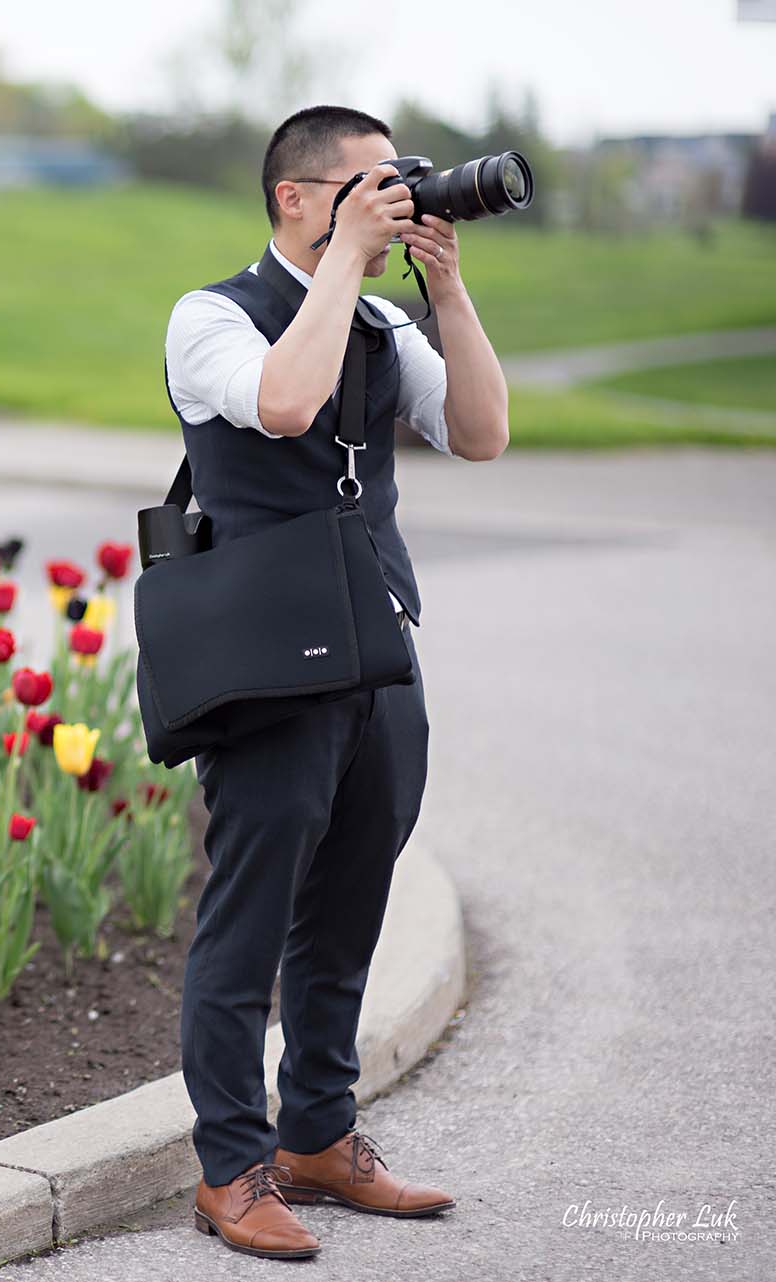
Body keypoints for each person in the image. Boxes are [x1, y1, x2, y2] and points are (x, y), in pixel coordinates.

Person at [162, 104, 509, 1261]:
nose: (391, 198)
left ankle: (319, 1136)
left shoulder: (379, 318)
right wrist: (350, 268)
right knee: (247, 922)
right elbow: (285, 403)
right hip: (269, 664)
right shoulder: (209, 316)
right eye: (366, 184)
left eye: (398, 181)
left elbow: (482, 434)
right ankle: (231, 1166)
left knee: (351, 908)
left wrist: (445, 294)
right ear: (294, 199)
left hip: (379, 648)